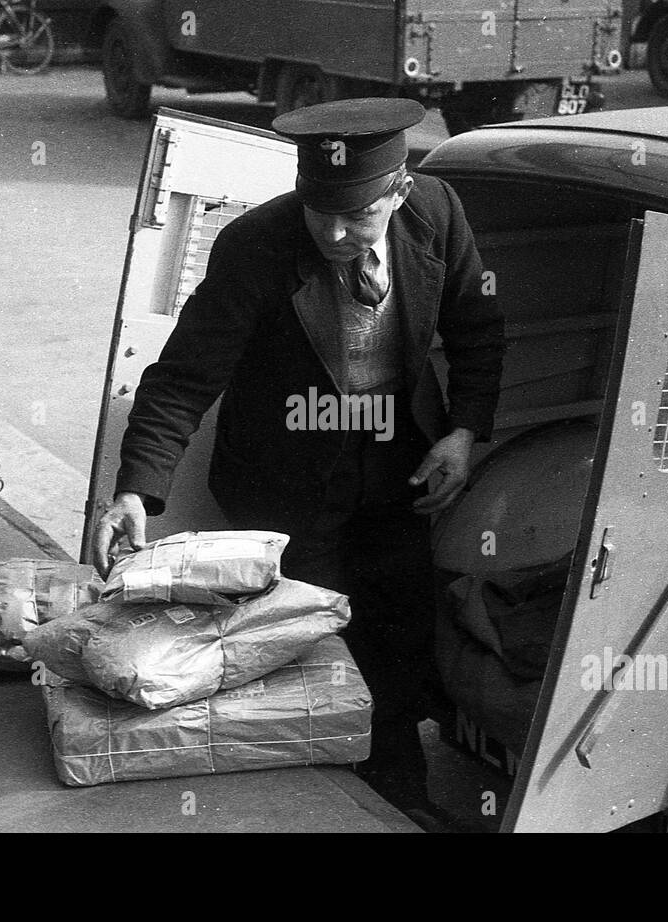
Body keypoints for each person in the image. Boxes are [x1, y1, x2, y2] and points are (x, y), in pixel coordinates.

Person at [92, 97, 506, 816]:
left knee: (398, 626)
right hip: (285, 481)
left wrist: (464, 432)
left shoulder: (436, 212)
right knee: (312, 640)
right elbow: (184, 376)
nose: (338, 234)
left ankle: (393, 781)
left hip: (397, 464)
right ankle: (329, 795)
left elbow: (478, 329)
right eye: (323, 217)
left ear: (400, 191)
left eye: (359, 218)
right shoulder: (257, 244)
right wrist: (136, 491)